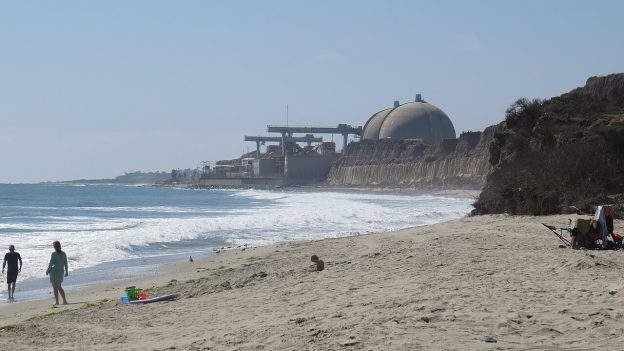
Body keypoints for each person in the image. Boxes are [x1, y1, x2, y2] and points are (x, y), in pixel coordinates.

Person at [45, 240, 68, 305]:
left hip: (54, 272)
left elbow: (51, 263)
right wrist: (66, 271)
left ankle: (57, 301)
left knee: (55, 287)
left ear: (54, 246)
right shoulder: (63, 253)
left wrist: (47, 270)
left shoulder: (54, 254)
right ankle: (64, 300)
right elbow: (65, 263)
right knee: (59, 286)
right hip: (61, 271)